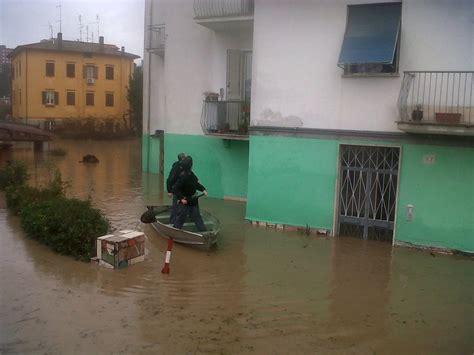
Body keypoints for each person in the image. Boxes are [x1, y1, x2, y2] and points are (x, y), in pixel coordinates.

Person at [172, 156, 208, 231]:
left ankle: (204, 232)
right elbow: (175, 189)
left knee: (197, 217)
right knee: (181, 218)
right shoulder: (182, 177)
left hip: (193, 201)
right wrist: (181, 198)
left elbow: (196, 184)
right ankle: (174, 231)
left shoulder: (192, 175)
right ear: (190, 166)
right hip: (185, 202)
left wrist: (203, 189)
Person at [166, 152, 186, 223]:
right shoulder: (176, 167)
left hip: (183, 189)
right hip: (176, 189)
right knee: (175, 206)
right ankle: (172, 221)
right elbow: (170, 179)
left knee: (182, 205)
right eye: (185, 157)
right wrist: (169, 191)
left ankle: (181, 220)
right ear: (182, 158)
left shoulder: (185, 166)